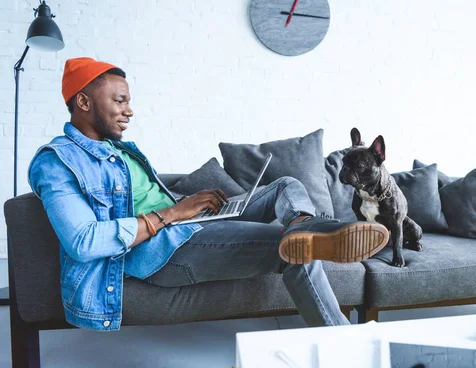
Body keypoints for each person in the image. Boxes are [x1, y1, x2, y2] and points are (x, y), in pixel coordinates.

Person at [28, 57, 390, 332]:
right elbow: (83, 241)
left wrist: (189, 206)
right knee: (295, 250)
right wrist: (174, 214)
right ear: (84, 102)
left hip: (190, 226)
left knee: (286, 186)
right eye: (120, 100)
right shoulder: (56, 162)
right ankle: (346, 347)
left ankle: (304, 225)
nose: (129, 110)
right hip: (164, 249)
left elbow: (149, 198)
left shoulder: (121, 151)